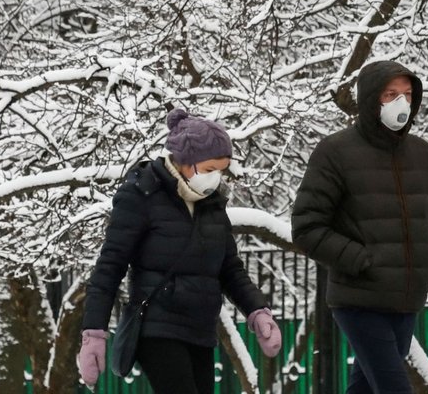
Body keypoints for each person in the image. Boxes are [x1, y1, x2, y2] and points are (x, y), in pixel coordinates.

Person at [77, 108, 281, 394]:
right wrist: (93, 333)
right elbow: (110, 266)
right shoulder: (141, 195)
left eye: (220, 170)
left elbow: (229, 269)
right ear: (186, 162)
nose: (215, 178)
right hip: (157, 325)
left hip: (200, 328)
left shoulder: (212, 206)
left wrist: (257, 310)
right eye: (210, 169)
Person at [292, 60, 428, 394]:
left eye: (407, 94)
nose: (401, 103)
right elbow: (306, 226)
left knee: (364, 388)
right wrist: (361, 261)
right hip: (359, 299)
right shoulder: (335, 152)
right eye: (391, 94)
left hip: (407, 298)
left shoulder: (422, 154)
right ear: (370, 99)